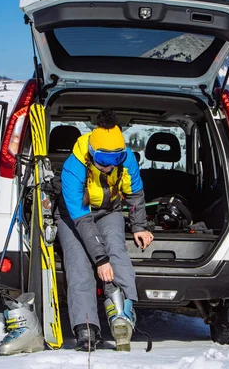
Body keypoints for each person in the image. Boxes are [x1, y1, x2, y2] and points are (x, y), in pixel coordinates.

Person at [56, 109, 154, 352]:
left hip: (109, 211)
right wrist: (100, 259)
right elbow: (82, 221)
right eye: (104, 160)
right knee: (79, 263)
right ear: (92, 153)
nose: (111, 166)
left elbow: (134, 192)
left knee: (117, 251)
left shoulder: (125, 159)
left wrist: (139, 226)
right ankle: (86, 328)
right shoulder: (73, 168)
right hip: (75, 216)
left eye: (116, 159)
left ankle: (122, 314)